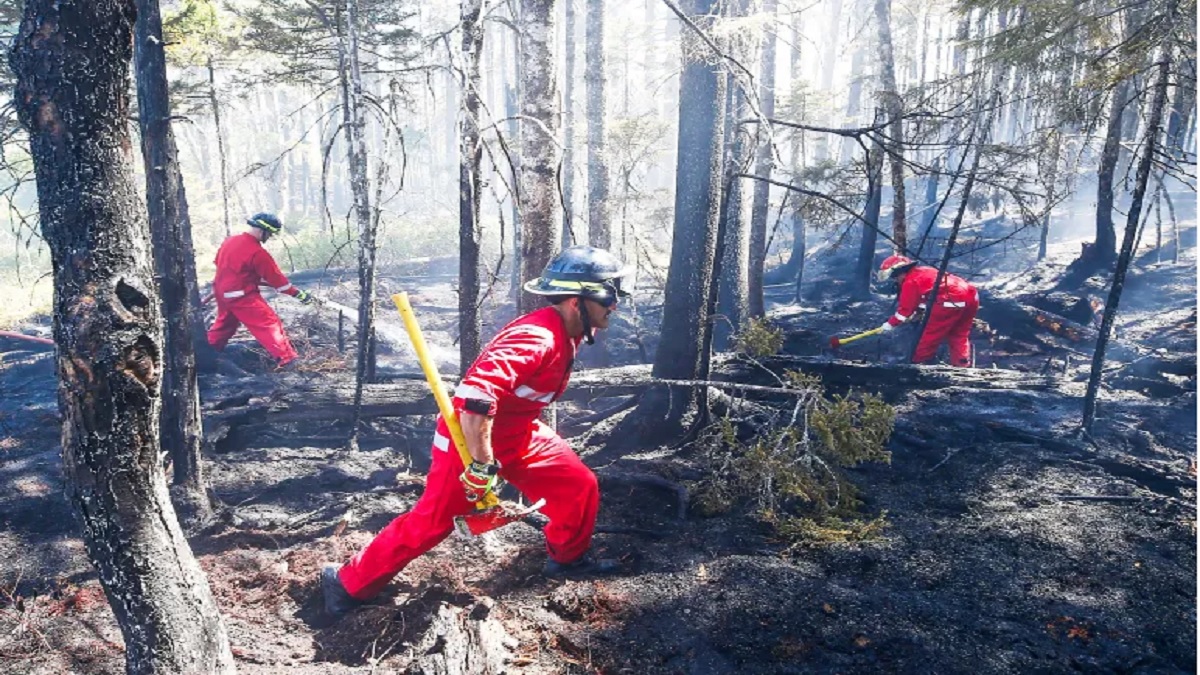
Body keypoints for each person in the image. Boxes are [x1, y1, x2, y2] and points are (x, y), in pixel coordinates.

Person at [322, 245, 632, 616]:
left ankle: (567, 560)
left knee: (578, 485)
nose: (614, 305)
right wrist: (482, 466)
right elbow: (475, 398)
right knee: (431, 524)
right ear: (576, 300)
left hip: (519, 434)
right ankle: (346, 584)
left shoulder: (570, 330)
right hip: (468, 443)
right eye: (608, 296)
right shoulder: (539, 337)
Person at [206, 213, 314, 370]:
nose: (269, 237)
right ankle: (288, 360)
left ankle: (207, 354)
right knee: (269, 323)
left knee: (224, 326)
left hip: (222, 292)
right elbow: (278, 281)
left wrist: (249, 278)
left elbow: (222, 264)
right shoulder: (257, 252)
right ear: (263, 230)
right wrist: (297, 294)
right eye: (269, 234)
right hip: (241, 296)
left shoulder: (230, 241)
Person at [876, 255, 979, 367]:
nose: (895, 280)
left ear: (899, 272)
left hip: (950, 299)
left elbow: (904, 312)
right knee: (959, 334)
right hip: (971, 295)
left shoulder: (910, 282)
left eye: (894, 277)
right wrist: (919, 312)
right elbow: (928, 295)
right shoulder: (924, 271)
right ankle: (962, 365)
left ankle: (920, 366)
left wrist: (890, 324)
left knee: (930, 336)